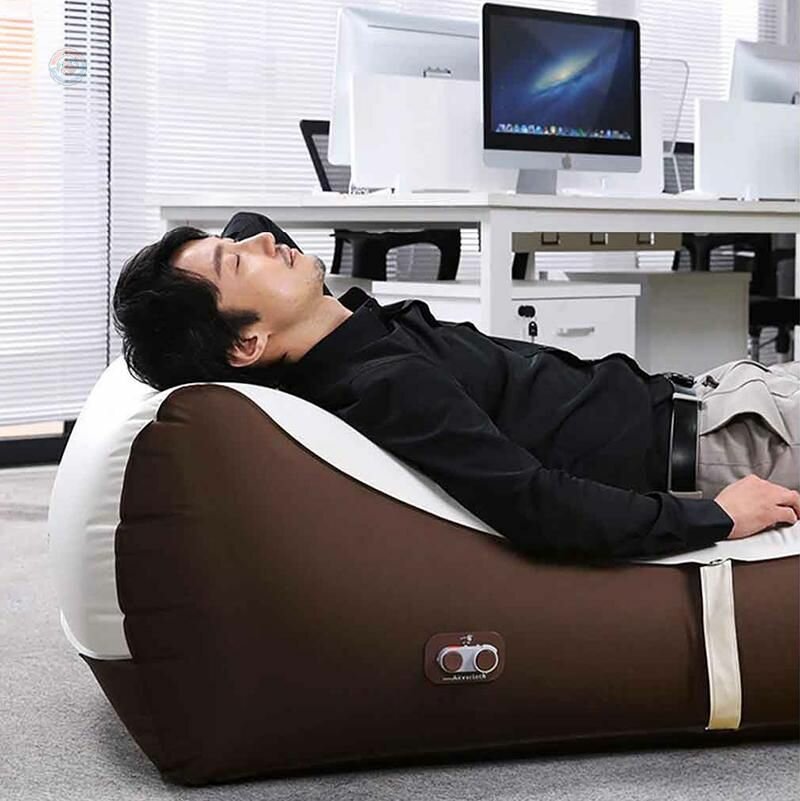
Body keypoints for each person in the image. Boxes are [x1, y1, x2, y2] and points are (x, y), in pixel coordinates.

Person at [112, 211, 800, 562]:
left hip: (724, 397)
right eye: (238, 261)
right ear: (245, 345)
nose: (264, 242)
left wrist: (225, 258)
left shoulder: (344, 335)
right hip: (728, 443)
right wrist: (718, 517)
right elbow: (537, 505)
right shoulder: (383, 385)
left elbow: (252, 228)